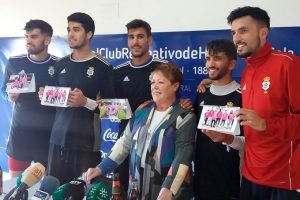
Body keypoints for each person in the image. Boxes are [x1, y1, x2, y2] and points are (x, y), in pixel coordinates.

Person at [83, 63, 196, 200]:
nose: (154, 86)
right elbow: (124, 144)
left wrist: (169, 188)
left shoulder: (185, 116)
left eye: (160, 82)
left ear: (175, 86)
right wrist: (100, 169)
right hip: (136, 190)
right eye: (152, 82)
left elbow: (182, 157)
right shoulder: (142, 111)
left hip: (168, 192)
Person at [227, 6, 300, 199]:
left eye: (243, 31)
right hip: (250, 175)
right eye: (233, 32)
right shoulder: (247, 71)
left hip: (284, 180)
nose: (236, 39)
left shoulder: (288, 64)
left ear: (263, 32)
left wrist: (266, 124)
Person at [112, 19, 193, 191]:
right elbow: (112, 109)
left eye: (140, 37)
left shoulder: (162, 67)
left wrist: (185, 103)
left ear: (149, 40)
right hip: (127, 140)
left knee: (156, 187)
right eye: (131, 37)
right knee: (126, 190)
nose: (135, 41)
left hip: (159, 145)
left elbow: (178, 101)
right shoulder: (118, 72)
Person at [40, 12, 115, 184]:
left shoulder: (103, 66)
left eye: (76, 29)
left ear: (89, 34)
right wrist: (45, 95)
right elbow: (53, 100)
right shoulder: (61, 64)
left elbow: (115, 110)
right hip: (57, 142)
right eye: (68, 29)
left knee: (84, 193)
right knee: (55, 192)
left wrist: (85, 102)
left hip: (86, 146)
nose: (70, 34)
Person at [0, 20, 58, 177]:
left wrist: (51, 95)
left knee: (44, 190)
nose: (28, 41)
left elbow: (65, 97)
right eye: (26, 36)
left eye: (33, 36)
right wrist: (9, 95)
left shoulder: (59, 64)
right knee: (15, 187)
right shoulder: (14, 62)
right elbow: (3, 90)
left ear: (47, 40)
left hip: (47, 137)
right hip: (20, 135)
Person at [193, 39, 244, 200]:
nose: (210, 64)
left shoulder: (242, 96)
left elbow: (249, 142)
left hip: (231, 182)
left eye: (217, 58)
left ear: (232, 64)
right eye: (208, 58)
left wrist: (227, 138)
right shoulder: (202, 92)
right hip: (201, 180)